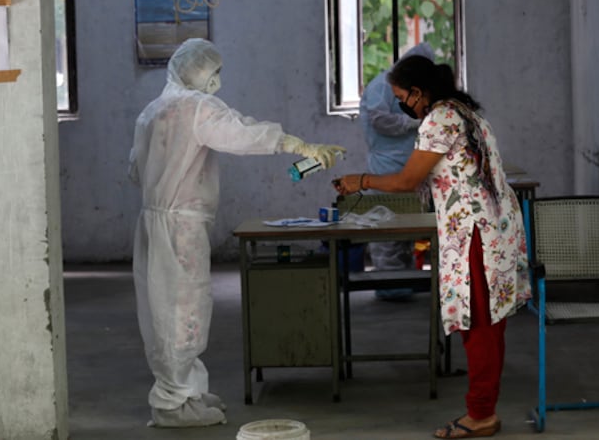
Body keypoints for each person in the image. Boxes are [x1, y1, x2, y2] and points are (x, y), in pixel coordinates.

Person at [127, 38, 345, 428]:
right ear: (196, 72)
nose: (217, 80)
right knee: (182, 311)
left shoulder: (151, 111)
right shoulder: (196, 107)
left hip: (153, 221)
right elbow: (241, 133)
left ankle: (186, 391)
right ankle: (172, 404)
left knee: (164, 310)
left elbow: (134, 172)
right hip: (180, 225)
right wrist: (297, 145)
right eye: (214, 72)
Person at [333, 55, 530, 438]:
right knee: (489, 324)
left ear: (418, 92)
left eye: (401, 98)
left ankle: (481, 415)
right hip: (494, 229)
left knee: (480, 325)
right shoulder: (467, 113)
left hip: (475, 234)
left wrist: (361, 181)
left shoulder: (440, 118)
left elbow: (407, 181)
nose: (401, 106)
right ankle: (484, 407)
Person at [359, 42, 435, 301]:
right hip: (387, 167)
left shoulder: (418, 92)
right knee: (388, 229)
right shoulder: (382, 86)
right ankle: (391, 286)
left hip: (412, 165)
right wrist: (411, 122)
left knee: (408, 229)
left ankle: (405, 282)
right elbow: (379, 120)